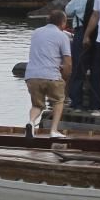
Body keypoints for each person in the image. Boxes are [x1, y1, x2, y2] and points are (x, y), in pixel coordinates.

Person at [24, 9, 73, 139]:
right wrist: (66, 78)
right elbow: (68, 63)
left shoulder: (36, 32)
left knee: (37, 105)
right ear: (63, 22)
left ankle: (31, 123)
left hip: (31, 76)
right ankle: (54, 130)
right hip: (51, 75)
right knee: (58, 100)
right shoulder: (63, 36)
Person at [65, 0, 100, 112]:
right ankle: (96, 105)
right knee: (97, 69)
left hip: (82, 32)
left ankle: (77, 103)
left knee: (79, 69)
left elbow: (68, 11)